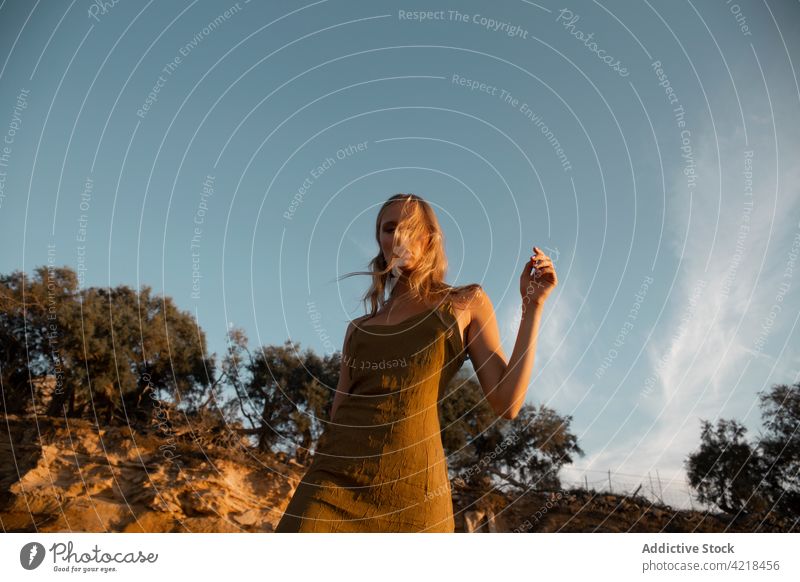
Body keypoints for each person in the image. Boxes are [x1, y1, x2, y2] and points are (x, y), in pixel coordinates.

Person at [275, 193, 557, 532]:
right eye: (388, 228)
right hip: (331, 485)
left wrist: (532, 307)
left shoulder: (465, 302)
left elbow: (506, 402)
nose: (397, 236)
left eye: (408, 227)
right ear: (380, 242)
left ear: (430, 238)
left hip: (415, 494)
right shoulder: (358, 330)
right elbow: (338, 411)